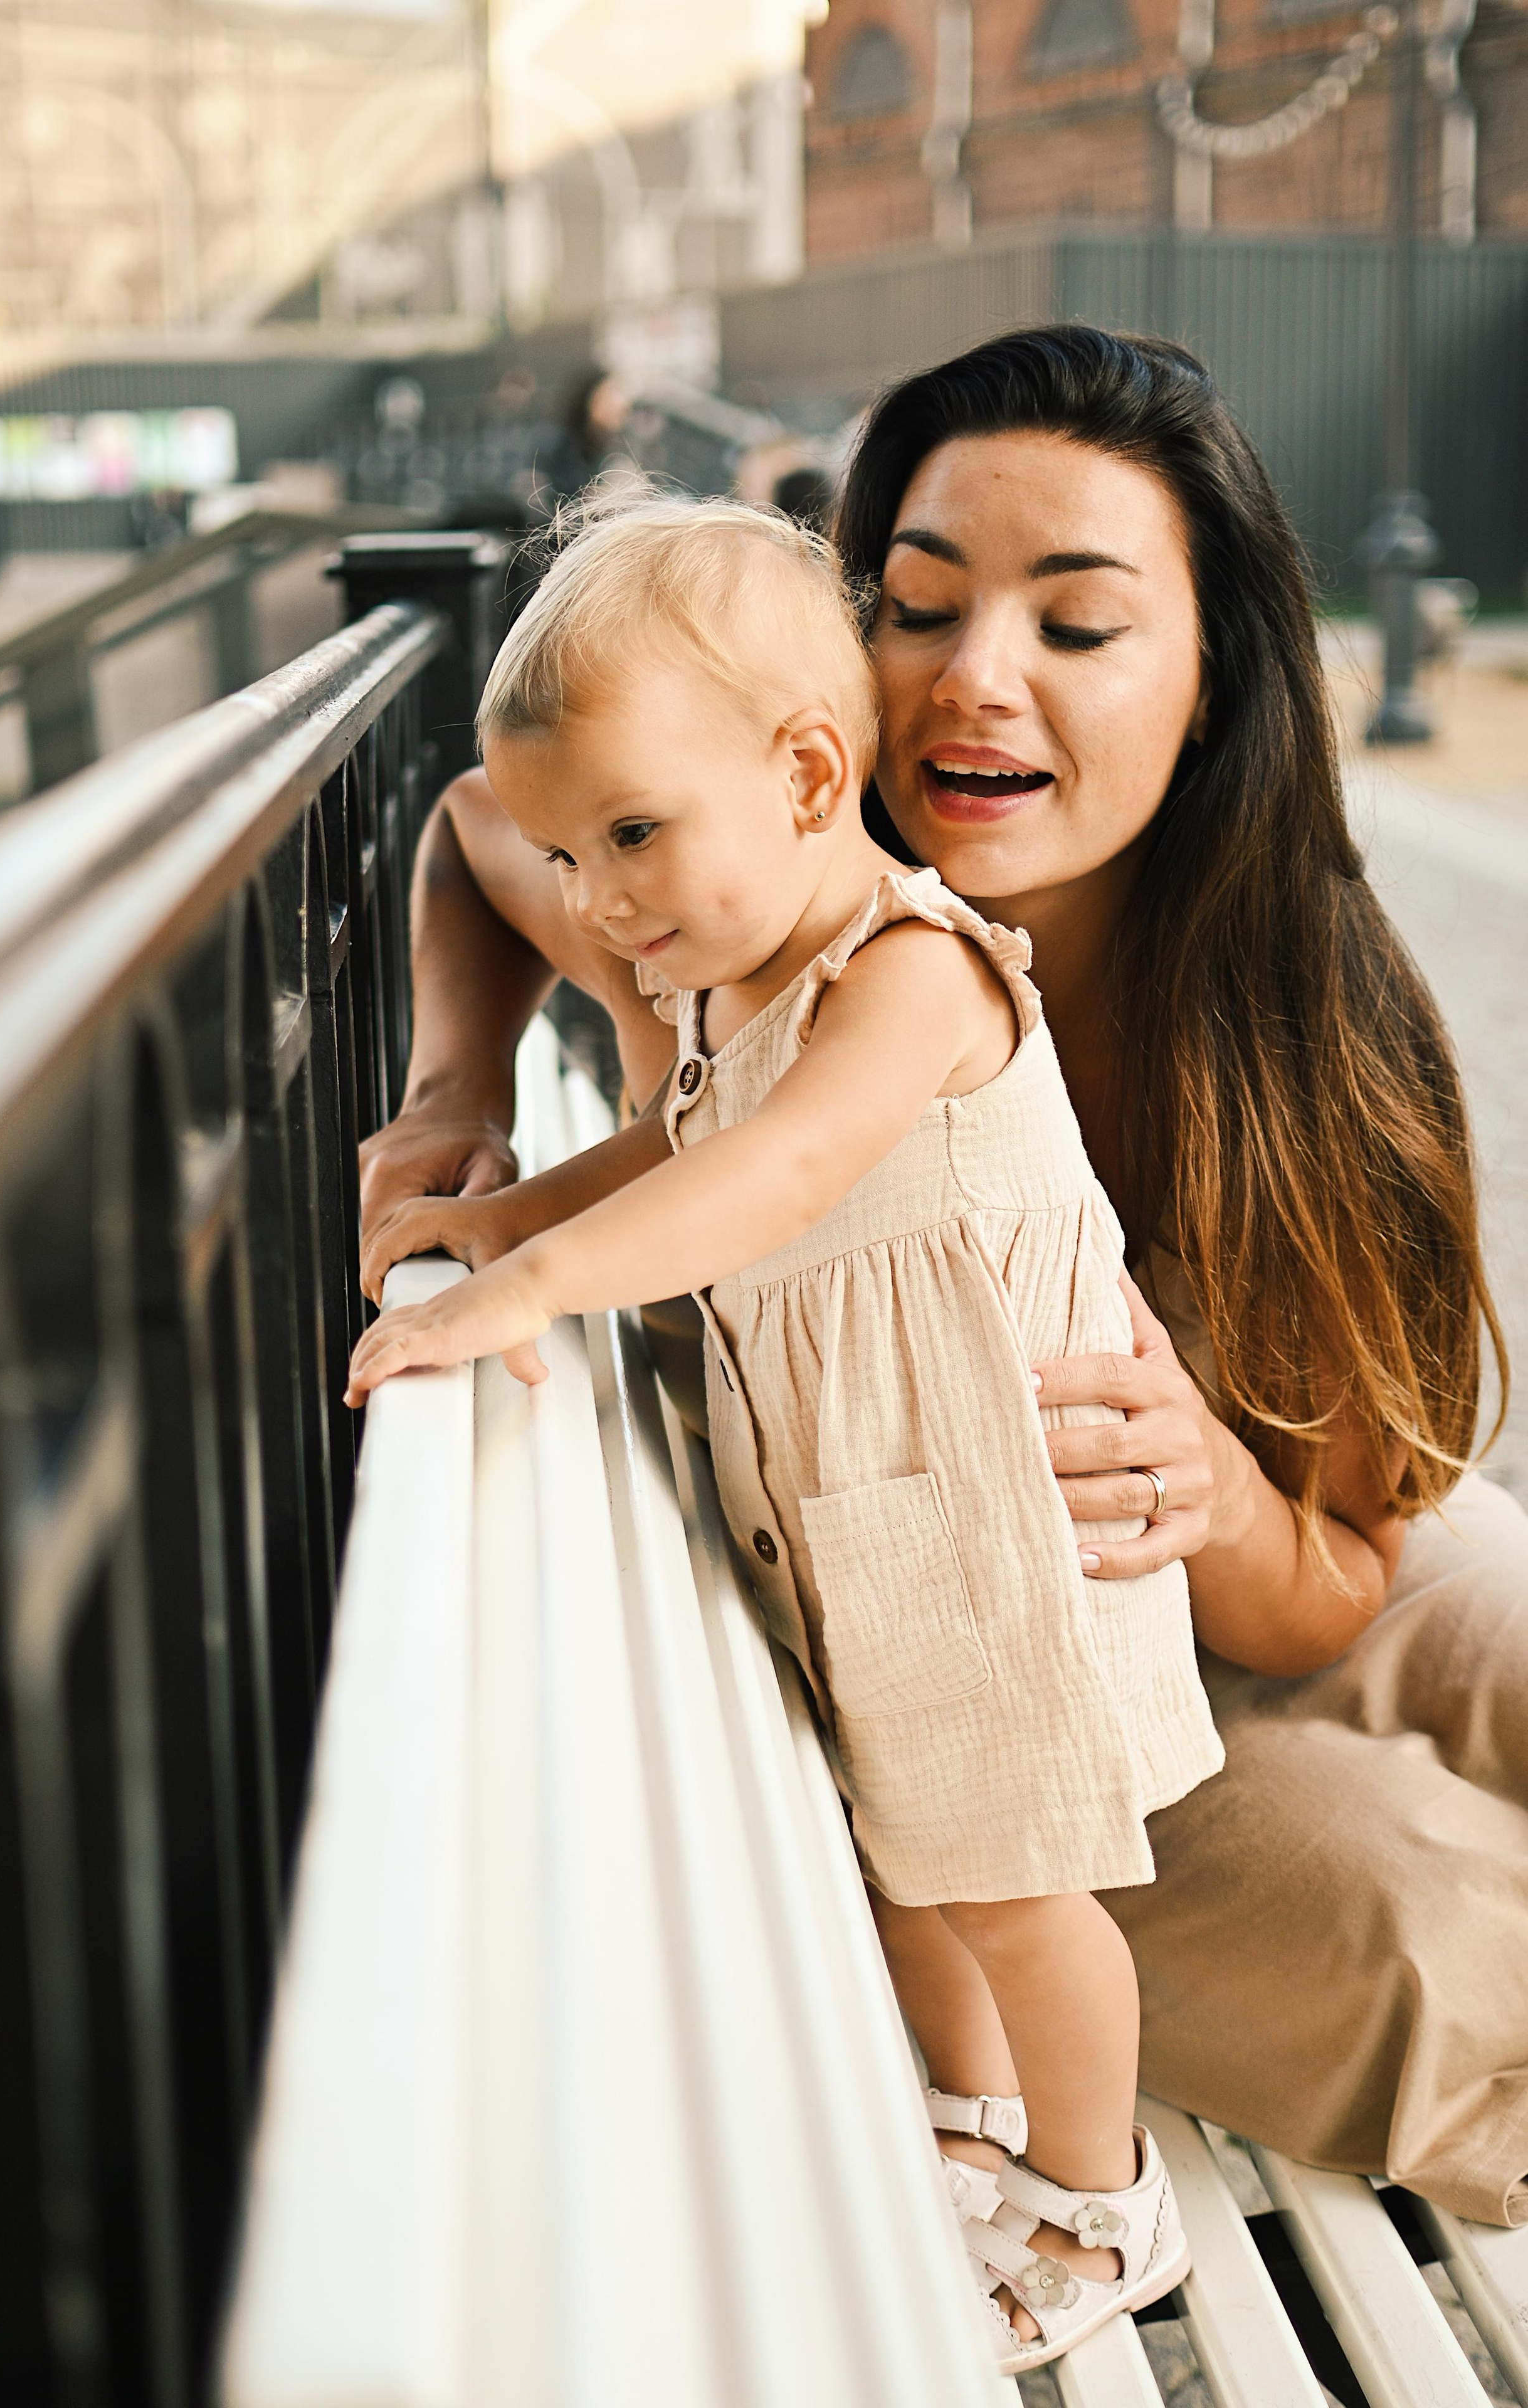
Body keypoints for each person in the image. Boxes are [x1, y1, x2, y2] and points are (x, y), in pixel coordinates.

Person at [359, 326, 1528, 2230]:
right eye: (917, 603)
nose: (977, 678)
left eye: (1079, 627)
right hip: (975, 1631)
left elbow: (1335, 1584)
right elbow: (484, 832)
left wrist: (1216, 1485)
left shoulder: (1312, 1025)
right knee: (1434, 1919)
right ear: (841, 648)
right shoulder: (743, 881)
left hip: (1260, 1547)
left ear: (1216, 672)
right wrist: (453, 1095)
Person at [346, 493, 1225, 2370]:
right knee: (910, 1849)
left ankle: (1102, 2200)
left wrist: (529, 1292)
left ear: (814, 772)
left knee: (1011, 1873)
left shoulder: (912, 968)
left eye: (635, 837)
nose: (596, 904)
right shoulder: (738, 992)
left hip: (977, 1506)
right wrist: (492, 1220)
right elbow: (685, 1141)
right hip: (859, 1500)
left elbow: (780, 1169)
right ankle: (978, 2126)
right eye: (577, 856)